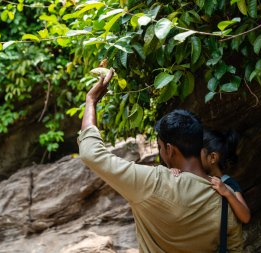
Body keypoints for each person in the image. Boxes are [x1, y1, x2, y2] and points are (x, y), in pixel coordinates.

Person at [78, 68, 243, 253]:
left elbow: (90, 153)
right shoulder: (223, 202)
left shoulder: (152, 183)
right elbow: (235, 247)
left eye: (160, 146)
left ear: (170, 150)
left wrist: (91, 101)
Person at [171, 129, 251, 224]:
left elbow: (246, 217)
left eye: (196, 154)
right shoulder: (197, 176)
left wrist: (226, 192)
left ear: (212, 157)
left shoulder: (228, 183)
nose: (193, 158)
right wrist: (174, 173)